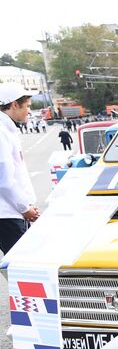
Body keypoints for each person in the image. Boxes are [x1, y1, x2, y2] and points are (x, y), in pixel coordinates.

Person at [0, 82, 41, 254]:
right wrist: (25, 208)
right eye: (27, 106)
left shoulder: (7, 129)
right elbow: (4, 179)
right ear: (14, 104)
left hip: (10, 212)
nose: (29, 111)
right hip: (8, 214)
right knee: (23, 266)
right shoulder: (1, 132)